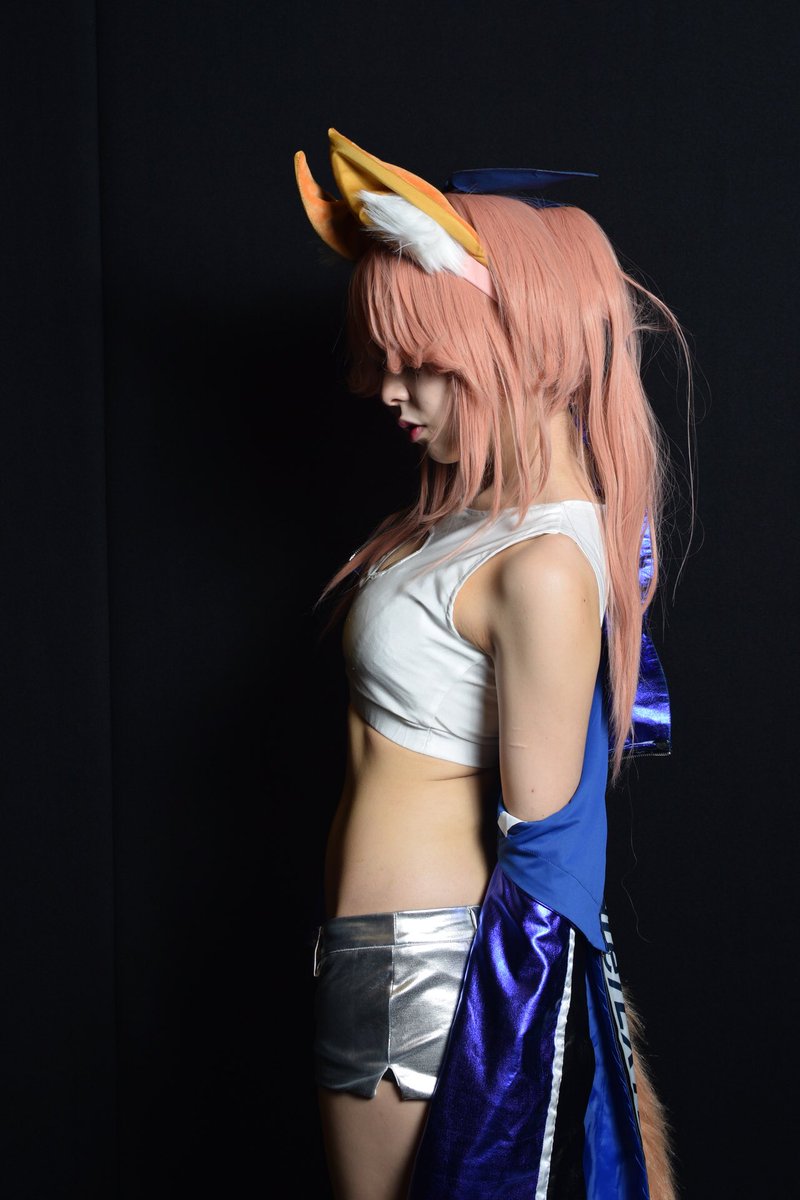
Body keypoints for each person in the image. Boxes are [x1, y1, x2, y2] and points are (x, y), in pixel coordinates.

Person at [294, 128, 694, 1200]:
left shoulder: (545, 563)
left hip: (431, 981)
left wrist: (541, 1066)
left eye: (421, 360)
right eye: (385, 357)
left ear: (523, 346)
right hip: (385, 960)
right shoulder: (477, 525)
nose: (388, 389)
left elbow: (550, 854)